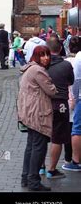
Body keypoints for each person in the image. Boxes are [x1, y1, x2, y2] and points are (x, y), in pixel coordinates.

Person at [18, 45, 57, 191]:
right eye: (42, 55)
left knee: (31, 147)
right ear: (36, 56)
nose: (46, 58)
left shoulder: (30, 68)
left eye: (47, 54)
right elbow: (51, 90)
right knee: (38, 148)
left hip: (30, 113)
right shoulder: (38, 70)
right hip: (37, 114)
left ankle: (26, 178)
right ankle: (33, 181)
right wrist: (54, 86)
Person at [42, 38, 74, 179]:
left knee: (42, 136)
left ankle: (41, 167)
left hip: (43, 103)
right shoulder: (66, 65)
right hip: (60, 103)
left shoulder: (41, 66)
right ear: (60, 48)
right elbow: (70, 81)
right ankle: (51, 169)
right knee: (57, 137)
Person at [63, 36, 81, 172]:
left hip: (76, 98)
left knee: (75, 129)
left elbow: (75, 81)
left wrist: (74, 97)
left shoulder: (76, 59)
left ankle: (73, 160)